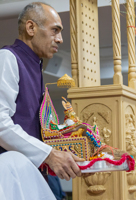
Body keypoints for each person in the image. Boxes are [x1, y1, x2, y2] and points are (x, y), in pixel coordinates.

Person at [0, 2, 84, 198]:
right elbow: (1, 125)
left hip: (25, 170)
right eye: (55, 30)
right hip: (8, 171)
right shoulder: (8, 58)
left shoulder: (34, 65)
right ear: (31, 28)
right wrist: (49, 154)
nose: (60, 39)